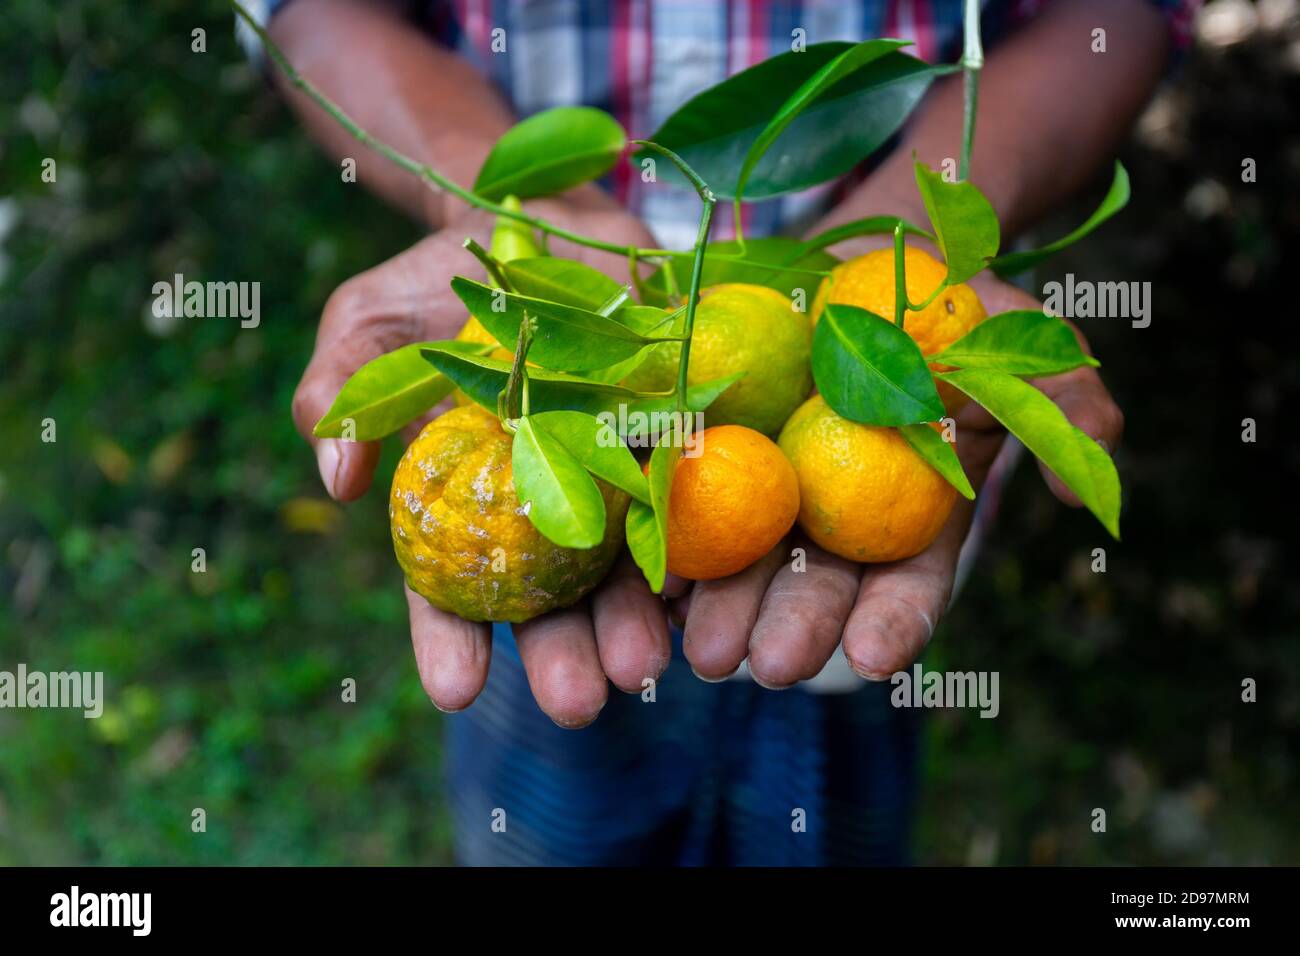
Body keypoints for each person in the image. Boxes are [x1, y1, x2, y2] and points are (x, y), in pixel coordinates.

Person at [242, 0, 1192, 864]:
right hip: (555, 545)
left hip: (856, 503)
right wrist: (498, 205)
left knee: (828, 824)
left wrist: (913, 220)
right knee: (555, 825)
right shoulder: (542, 446)